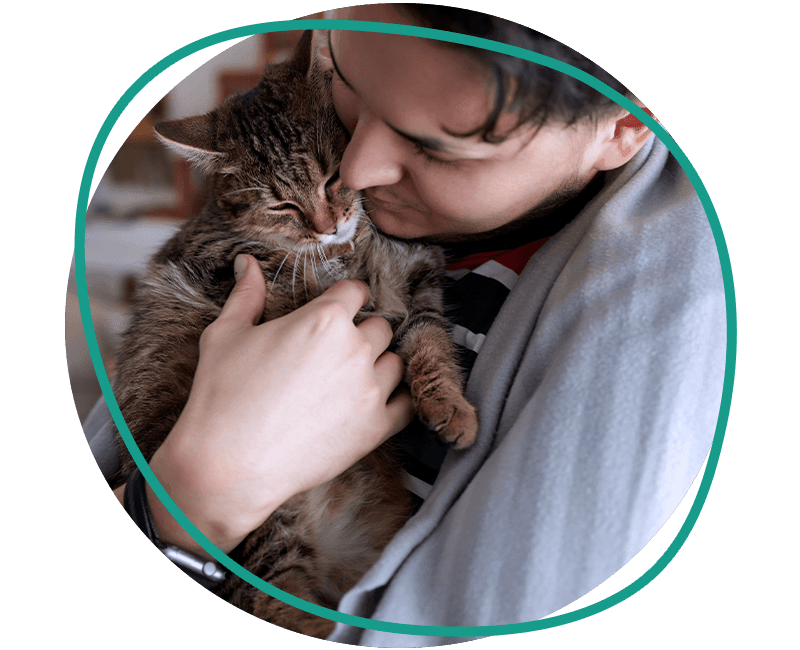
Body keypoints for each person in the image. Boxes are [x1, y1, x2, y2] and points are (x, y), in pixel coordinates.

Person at [87, 3, 726, 645]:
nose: (357, 174)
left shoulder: (670, 319)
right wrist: (187, 499)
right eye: (350, 92)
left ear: (621, 128)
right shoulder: (285, 197)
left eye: (432, 148)